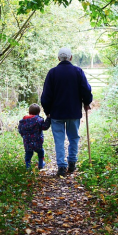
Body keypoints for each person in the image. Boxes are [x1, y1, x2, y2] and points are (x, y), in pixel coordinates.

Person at [41, 47, 92, 177]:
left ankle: (61, 167)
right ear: (71, 57)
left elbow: (46, 95)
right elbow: (86, 89)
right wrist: (87, 102)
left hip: (56, 113)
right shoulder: (78, 71)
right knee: (74, 137)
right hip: (73, 112)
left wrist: (47, 111)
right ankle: (72, 163)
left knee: (59, 140)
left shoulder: (52, 73)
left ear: (59, 58)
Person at [18, 103, 51, 170]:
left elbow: (20, 130)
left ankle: (28, 167)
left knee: (28, 154)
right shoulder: (39, 120)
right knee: (40, 152)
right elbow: (45, 127)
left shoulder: (23, 121)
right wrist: (48, 119)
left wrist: (24, 137)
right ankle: (41, 164)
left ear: (29, 112)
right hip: (37, 142)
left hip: (27, 142)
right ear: (38, 112)